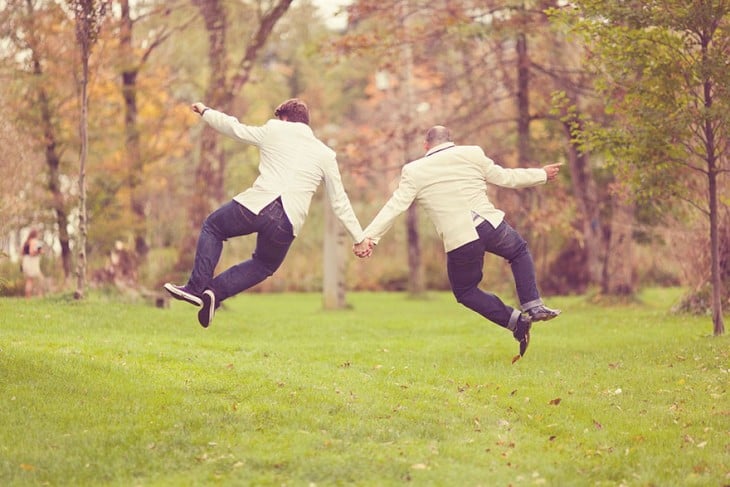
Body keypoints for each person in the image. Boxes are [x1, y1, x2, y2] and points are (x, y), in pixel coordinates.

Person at [355, 126, 562, 358]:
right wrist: (541, 174)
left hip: (460, 239)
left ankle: (516, 322)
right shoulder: (472, 153)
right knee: (519, 251)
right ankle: (532, 305)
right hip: (490, 225)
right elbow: (506, 177)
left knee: (465, 291)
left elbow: (395, 207)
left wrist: (369, 237)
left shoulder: (414, 171)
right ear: (451, 141)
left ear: (426, 145)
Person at [165, 98, 368, 328]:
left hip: (256, 206)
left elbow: (235, 128)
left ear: (283, 118)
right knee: (263, 265)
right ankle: (214, 292)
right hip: (287, 222)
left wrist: (206, 112)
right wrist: (359, 238)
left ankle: (196, 288)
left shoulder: (274, 129)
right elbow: (339, 201)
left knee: (213, 227)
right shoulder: (325, 154)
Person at [21, 228, 44, 298]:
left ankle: (28, 297)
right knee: (40, 278)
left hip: (26, 261)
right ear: (35, 234)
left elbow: (22, 253)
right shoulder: (34, 241)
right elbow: (31, 253)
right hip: (32, 262)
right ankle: (40, 295)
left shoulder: (26, 242)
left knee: (29, 280)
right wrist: (39, 252)